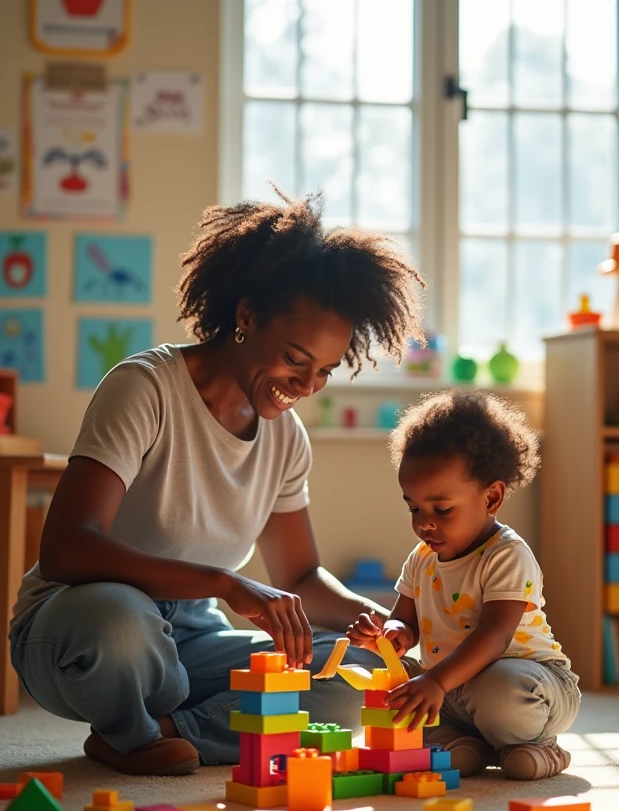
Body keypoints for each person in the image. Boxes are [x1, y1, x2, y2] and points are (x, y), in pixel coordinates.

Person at [10, 190, 426, 776]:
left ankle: (164, 733)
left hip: (190, 637)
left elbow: (300, 577)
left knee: (354, 669)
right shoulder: (145, 388)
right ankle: (145, 723)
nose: (305, 386)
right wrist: (225, 584)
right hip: (79, 626)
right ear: (247, 315)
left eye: (324, 372)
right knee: (123, 623)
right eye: (293, 359)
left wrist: (372, 618)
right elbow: (67, 546)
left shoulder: (285, 438)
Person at [347, 389, 581, 781]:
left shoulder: (506, 555)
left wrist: (436, 680)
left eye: (442, 509)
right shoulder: (422, 558)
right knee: (390, 684)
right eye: (414, 508)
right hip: (456, 693)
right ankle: (467, 744)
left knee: (498, 690)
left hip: (532, 685)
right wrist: (388, 635)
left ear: (491, 497)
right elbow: (404, 622)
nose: (424, 523)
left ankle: (541, 746)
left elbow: (494, 636)